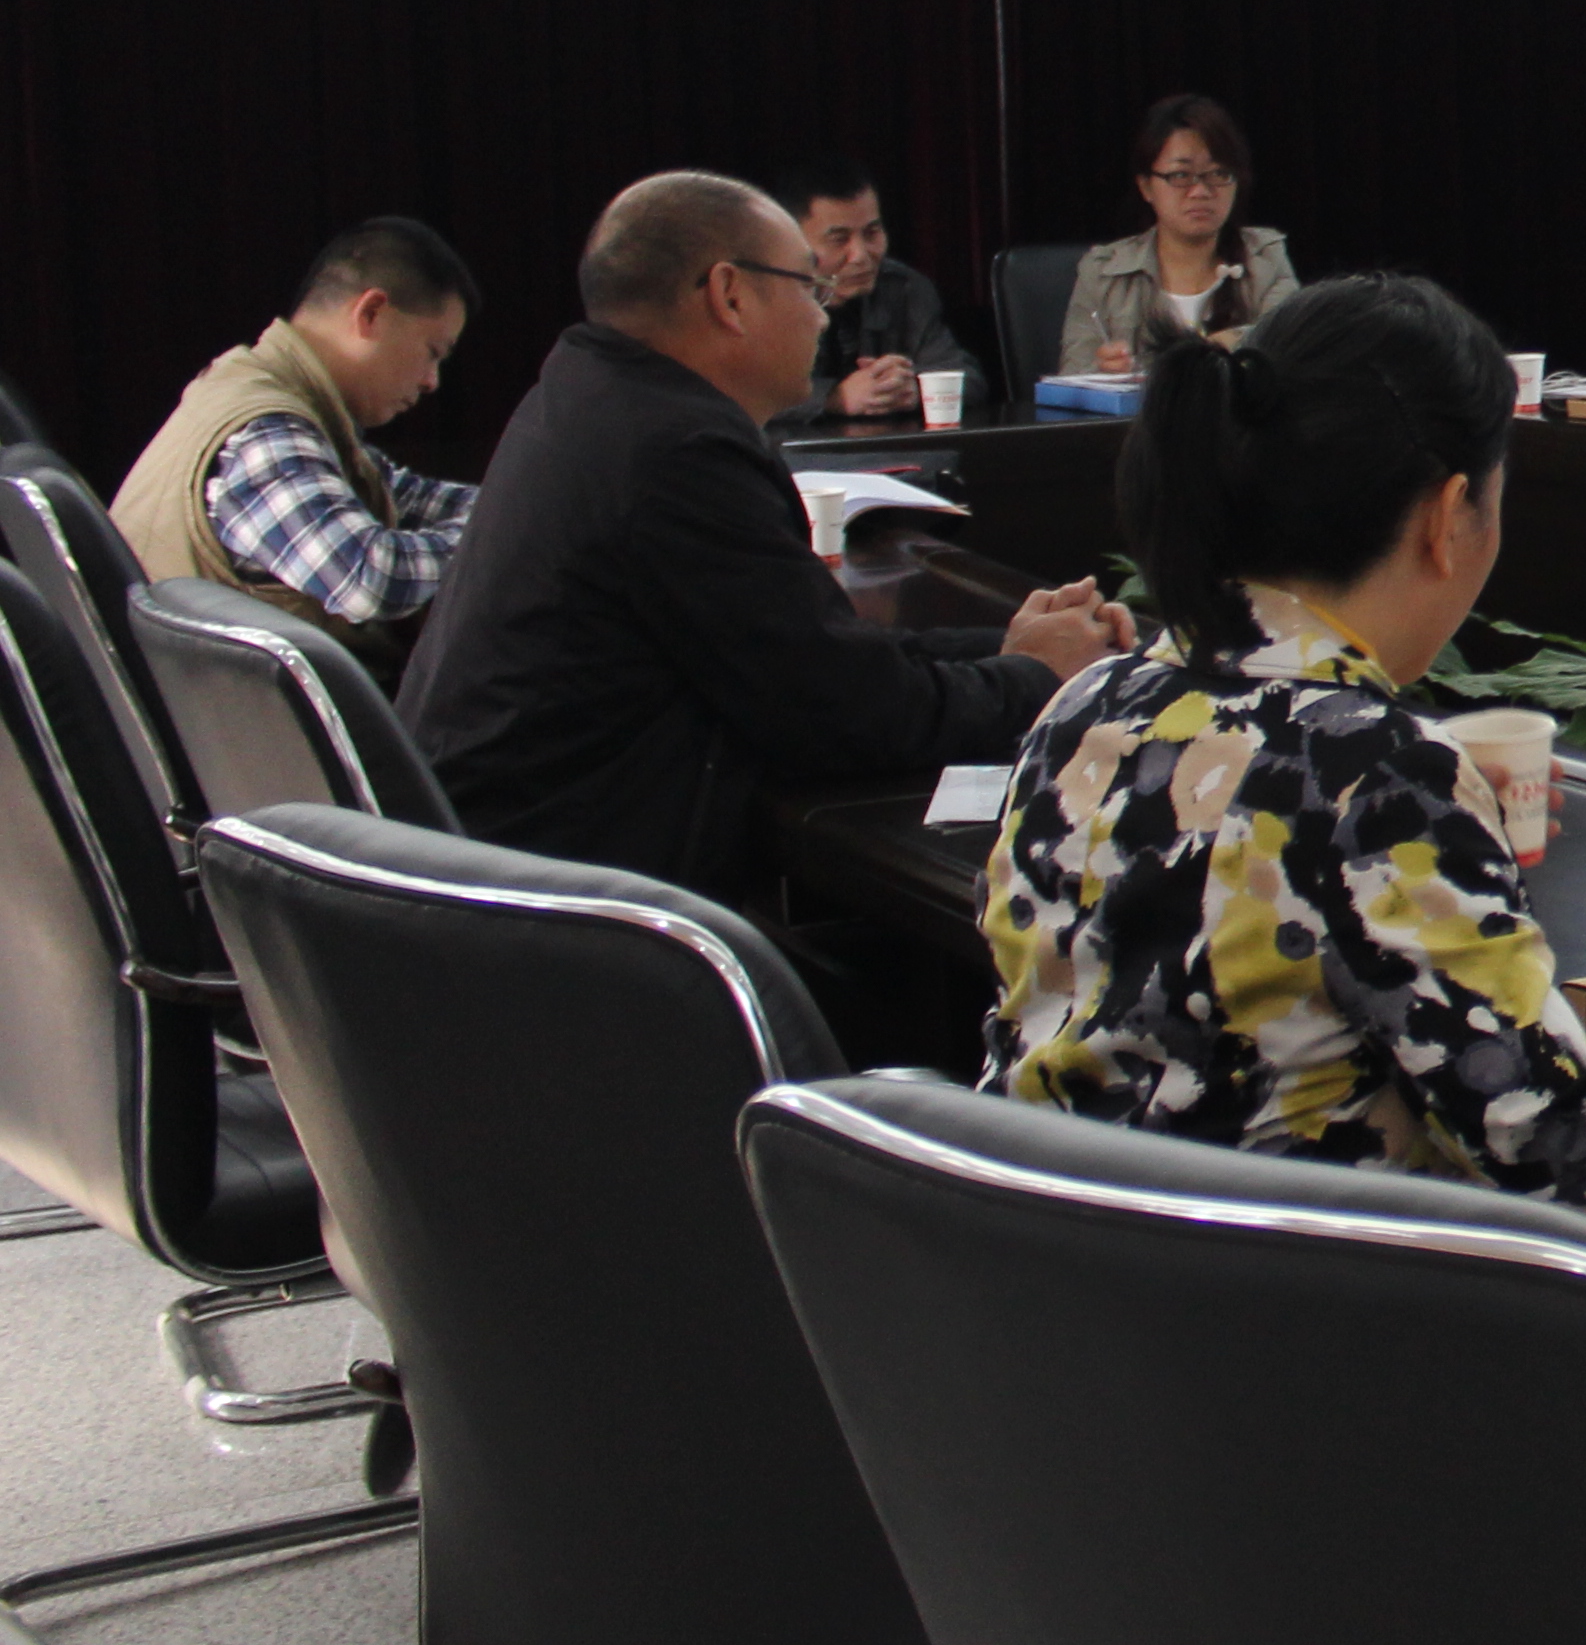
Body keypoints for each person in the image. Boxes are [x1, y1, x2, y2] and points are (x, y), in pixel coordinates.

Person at [984, 276, 1586, 1228]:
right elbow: (1585, 1159)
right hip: (1284, 1306)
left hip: (1046, 1280)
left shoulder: (1085, 701)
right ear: (1447, 517)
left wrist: (1431, 820)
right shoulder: (1374, 774)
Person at [404, 175, 1123, 1058]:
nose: (824, 316)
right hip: (567, 956)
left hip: (499, 902)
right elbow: (845, 714)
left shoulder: (593, 394)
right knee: (959, 1022)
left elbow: (807, 653)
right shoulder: (675, 451)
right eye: (809, 287)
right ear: (730, 295)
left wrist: (1011, 646)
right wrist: (1036, 679)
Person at [114, 216, 483, 673]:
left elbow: (403, 496)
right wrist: (498, 540)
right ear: (371, 313)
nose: (431, 381)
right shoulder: (265, 430)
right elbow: (368, 579)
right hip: (222, 712)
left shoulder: (271, 391)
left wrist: (520, 509)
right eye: (433, 352)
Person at [1060, 94, 1297, 376]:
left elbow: (1292, 354)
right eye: (1181, 175)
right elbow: (1071, 378)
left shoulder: (1266, 257)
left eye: (1218, 174)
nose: (1200, 191)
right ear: (1146, 187)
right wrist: (1101, 372)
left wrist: (1233, 340)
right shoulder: (1102, 272)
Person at [786, 161, 960, 417]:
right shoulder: (766, 295)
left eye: (871, 233)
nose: (860, 255)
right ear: (794, 241)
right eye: (839, 239)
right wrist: (834, 398)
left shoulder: (905, 288)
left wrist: (912, 387)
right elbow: (739, 394)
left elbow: (963, 374)